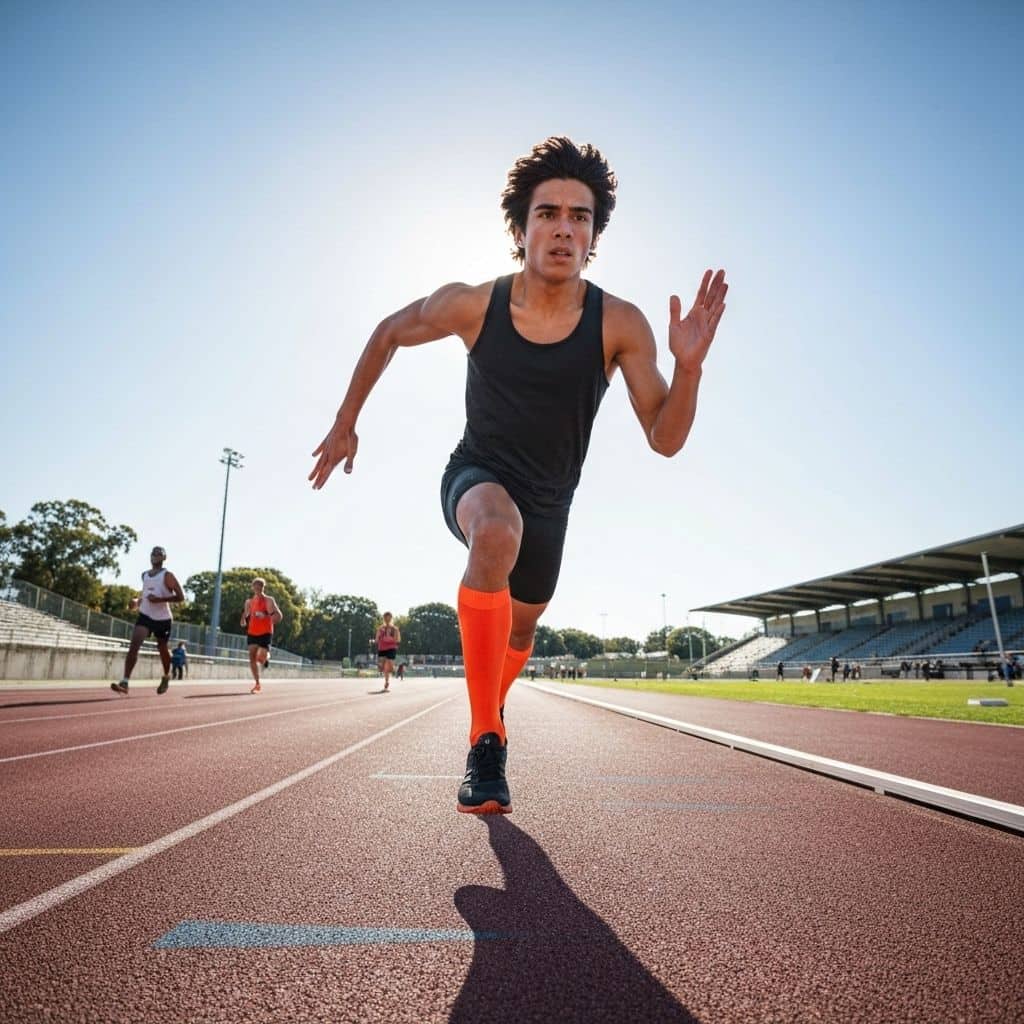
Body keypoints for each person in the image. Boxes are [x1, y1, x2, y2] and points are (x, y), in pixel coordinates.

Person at [310, 137, 728, 815]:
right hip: (477, 476)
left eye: (582, 218)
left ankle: (491, 706)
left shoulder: (618, 322)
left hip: (553, 503)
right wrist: (346, 419)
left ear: (594, 237)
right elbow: (390, 329)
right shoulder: (475, 305)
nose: (565, 227)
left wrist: (690, 369)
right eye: (549, 213)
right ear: (519, 228)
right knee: (497, 533)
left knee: (520, 632)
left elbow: (665, 439)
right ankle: (485, 742)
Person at [111, 546, 184, 695]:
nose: (155, 556)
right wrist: (136, 602)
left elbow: (180, 597)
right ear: (150, 557)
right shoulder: (144, 575)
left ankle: (166, 676)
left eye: (159, 554)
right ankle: (125, 682)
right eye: (153, 553)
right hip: (145, 616)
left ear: (164, 558)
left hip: (163, 619)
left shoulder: (167, 575)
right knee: (134, 646)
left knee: (162, 648)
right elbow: (144, 595)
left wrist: (160, 600)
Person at [241, 577, 283, 694]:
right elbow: (245, 613)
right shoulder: (249, 602)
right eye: (256, 587)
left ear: (263, 588)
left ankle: (266, 659)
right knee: (252, 658)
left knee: (261, 657)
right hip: (252, 632)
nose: (258, 589)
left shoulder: (269, 600)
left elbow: (279, 616)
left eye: (260, 587)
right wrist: (243, 619)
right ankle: (257, 683)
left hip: (265, 632)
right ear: (253, 588)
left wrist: (266, 616)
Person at [375, 612, 401, 691]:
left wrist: (389, 638)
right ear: (384, 618)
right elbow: (376, 638)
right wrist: (378, 639)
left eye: (389, 617)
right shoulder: (380, 628)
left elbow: (397, 639)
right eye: (385, 617)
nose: (387, 619)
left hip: (391, 647)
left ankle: (393, 669)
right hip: (382, 648)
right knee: (383, 667)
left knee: (389, 662)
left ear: (391, 618)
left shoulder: (395, 629)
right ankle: (386, 681)